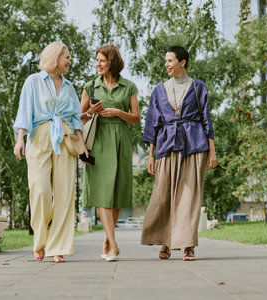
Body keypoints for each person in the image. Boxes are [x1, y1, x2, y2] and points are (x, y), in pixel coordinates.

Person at [13, 42, 88, 263]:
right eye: (67, 57)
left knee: (65, 194)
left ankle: (59, 247)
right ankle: (40, 239)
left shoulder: (69, 86)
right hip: (39, 136)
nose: (69, 61)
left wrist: (82, 146)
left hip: (65, 137)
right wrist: (19, 141)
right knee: (40, 191)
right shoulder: (33, 81)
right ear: (55, 57)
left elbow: (76, 118)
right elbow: (24, 113)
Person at [141, 46, 217, 261]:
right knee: (164, 195)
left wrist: (212, 152)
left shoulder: (198, 86)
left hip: (194, 144)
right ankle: (166, 240)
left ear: (182, 62)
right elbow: (152, 124)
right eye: (165, 60)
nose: (166, 64)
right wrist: (150, 155)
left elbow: (206, 120)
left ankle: (188, 245)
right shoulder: (159, 89)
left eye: (170, 60)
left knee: (189, 196)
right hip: (166, 145)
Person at [80, 44, 140, 262]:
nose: (98, 64)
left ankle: (107, 238)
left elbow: (136, 117)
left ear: (112, 62)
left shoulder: (129, 86)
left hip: (121, 141)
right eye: (96, 60)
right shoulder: (90, 86)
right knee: (103, 192)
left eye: (102, 60)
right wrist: (90, 111)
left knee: (117, 193)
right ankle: (114, 245)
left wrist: (118, 112)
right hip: (99, 140)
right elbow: (79, 118)